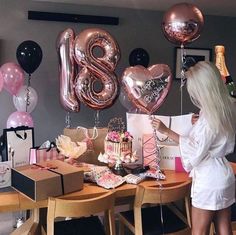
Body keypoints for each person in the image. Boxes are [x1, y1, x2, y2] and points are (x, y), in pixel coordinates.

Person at [151, 61, 236, 235]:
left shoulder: (208, 120)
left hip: (208, 179)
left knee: (199, 230)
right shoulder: (227, 109)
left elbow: (196, 153)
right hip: (225, 175)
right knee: (224, 227)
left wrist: (166, 131)